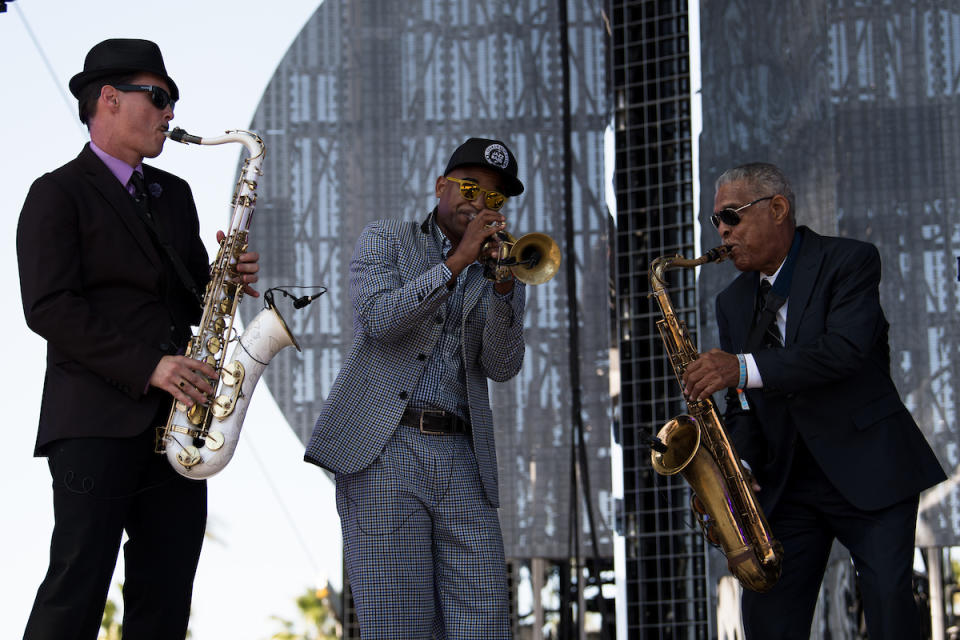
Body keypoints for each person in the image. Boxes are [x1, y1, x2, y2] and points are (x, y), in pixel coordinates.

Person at [16, 38, 260, 640]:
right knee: (75, 591)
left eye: (171, 101)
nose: (170, 113)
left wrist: (220, 280)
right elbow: (49, 307)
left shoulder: (172, 194)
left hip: (178, 426)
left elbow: (185, 294)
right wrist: (150, 365)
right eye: (158, 97)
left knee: (166, 598)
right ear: (108, 99)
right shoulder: (57, 192)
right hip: (96, 421)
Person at [682, 162, 946, 639]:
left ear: (777, 208)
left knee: (889, 609)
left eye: (731, 216)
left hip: (869, 468)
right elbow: (742, 404)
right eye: (715, 221)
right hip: (787, 484)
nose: (722, 229)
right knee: (767, 623)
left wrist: (739, 366)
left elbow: (842, 351)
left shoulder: (850, 261)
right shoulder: (732, 302)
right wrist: (735, 461)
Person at [305, 137, 527, 638]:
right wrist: (455, 263)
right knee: (398, 624)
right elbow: (380, 320)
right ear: (441, 187)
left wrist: (506, 289)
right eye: (470, 188)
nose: (480, 204)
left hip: (463, 456)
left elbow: (502, 364)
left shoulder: (502, 267)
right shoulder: (387, 239)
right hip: (385, 449)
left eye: (495, 198)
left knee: (485, 622)